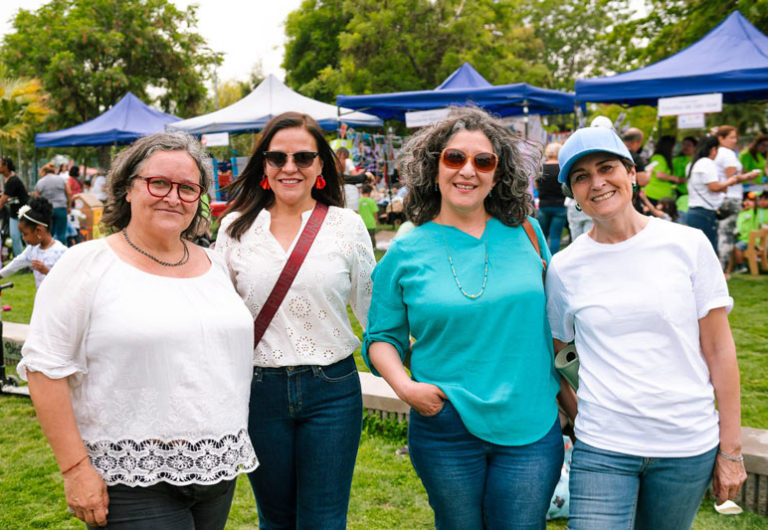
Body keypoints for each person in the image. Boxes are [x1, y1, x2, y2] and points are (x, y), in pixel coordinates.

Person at [17, 132, 258, 529]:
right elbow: (44, 369)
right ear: (128, 188)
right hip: (130, 478)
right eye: (159, 182)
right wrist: (76, 469)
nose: (173, 196)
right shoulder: (86, 264)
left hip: (216, 468)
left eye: (187, 188)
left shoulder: (215, 266)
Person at [363, 107, 565, 529]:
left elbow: (556, 328)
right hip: (446, 426)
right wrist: (406, 388)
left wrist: (572, 404)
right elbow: (382, 336)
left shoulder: (527, 232)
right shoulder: (406, 250)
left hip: (530, 424)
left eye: (483, 161)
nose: (467, 171)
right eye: (454, 158)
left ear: (498, 172)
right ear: (433, 167)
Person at [547, 125, 747, 529]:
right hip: (603, 445)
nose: (597, 183)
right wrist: (580, 413)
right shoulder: (565, 267)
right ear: (573, 195)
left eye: (606, 168)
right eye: (581, 177)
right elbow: (559, 355)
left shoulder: (688, 245)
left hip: (685, 445)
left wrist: (731, 450)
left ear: (632, 173)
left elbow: (720, 351)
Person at [216, 111, 375, 529]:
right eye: (278, 158)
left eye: (303, 158)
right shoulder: (234, 228)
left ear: (322, 164)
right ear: (263, 165)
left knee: (323, 520)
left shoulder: (347, 226)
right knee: (276, 519)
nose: (290, 168)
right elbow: (217, 316)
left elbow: (372, 312)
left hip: (332, 391)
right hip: (258, 390)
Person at [686, 136, 755, 253]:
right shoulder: (707, 163)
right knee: (708, 251)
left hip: (694, 211)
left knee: (698, 250)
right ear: (713, 149)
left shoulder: (693, 163)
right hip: (705, 212)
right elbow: (714, 187)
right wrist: (730, 181)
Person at [714, 126, 759, 269]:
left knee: (722, 233)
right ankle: (722, 269)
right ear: (721, 138)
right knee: (726, 235)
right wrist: (749, 176)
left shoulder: (718, 153)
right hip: (730, 197)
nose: (735, 140)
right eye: (731, 137)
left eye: (735, 137)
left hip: (722, 197)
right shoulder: (727, 154)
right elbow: (732, 178)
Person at [0, 197, 66, 288]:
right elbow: (16, 263)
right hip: (41, 300)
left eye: (25, 234)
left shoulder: (61, 252)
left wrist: (46, 271)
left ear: (38, 230)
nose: (23, 238)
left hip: (58, 300)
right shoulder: (32, 250)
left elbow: (67, 281)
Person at [536, 142, 567, 253]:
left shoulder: (540, 168)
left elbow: (536, 186)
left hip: (544, 205)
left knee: (542, 236)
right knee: (555, 237)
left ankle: (541, 258)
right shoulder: (562, 169)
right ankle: (553, 260)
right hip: (560, 206)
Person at [34, 163, 71, 244]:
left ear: (44, 172)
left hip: (47, 211)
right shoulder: (61, 179)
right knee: (61, 233)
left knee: (49, 233)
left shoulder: (40, 182)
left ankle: (49, 251)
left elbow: (36, 197)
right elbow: (69, 192)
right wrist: (69, 206)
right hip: (61, 208)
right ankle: (61, 253)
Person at [0, 156, 29, 258]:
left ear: (5, 166)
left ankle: (31, 260)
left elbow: (3, 200)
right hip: (14, 212)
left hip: (23, 212)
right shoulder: (7, 179)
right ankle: (20, 261)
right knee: (14, 236)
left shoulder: (13, 180)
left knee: (27, 236)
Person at [644, 135, 682, 204]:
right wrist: (676, 179)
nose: (674, 149)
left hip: (659, 196)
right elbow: (659, 174)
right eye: (673, 146)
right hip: (653, 195)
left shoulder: (663, 158)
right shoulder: (659, 158)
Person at [732, 192, 760, 273]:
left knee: (737, 247)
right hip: (741, 238)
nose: (747, 202)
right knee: (730, 245)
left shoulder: (754, 212)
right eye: (745, 200)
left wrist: (753, 194)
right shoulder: (741, 212)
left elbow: (755, 203)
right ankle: (730, 266)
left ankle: (741, 267)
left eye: (750, 201)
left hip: (749, 240)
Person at [358, 183, 379, 250]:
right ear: (369, 192)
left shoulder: (359, 201)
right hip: (371, 222)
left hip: (362, 223)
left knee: (363, 237)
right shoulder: (371, 201)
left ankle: (364, 248)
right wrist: (376, 220)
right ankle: (373, 248)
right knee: (372, 236)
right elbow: (375, 212)